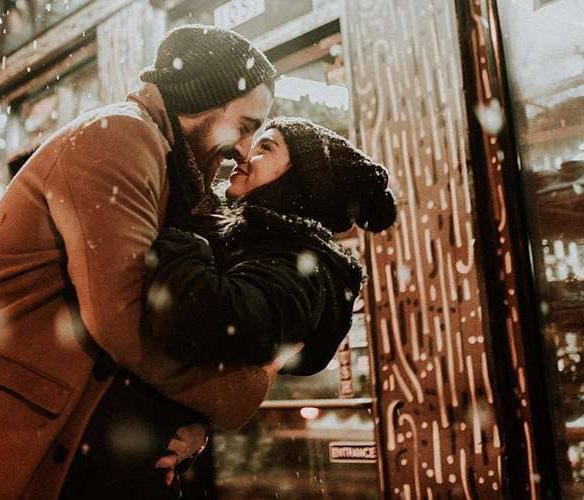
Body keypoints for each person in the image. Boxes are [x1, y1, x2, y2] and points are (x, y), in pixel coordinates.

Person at [0, 25, 280, 499]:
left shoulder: (166, 166)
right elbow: (122, 319)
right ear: (203, 100)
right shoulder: (122, 137)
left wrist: (189, 421)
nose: (245, 150)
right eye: (245, 127)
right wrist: (237, 392)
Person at [58, 117, 397, 498]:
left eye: (266, 148)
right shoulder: (257, 249)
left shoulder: (300, 268)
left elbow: (199, 318)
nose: (245, 154)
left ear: (299, 182)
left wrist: (180, 226)